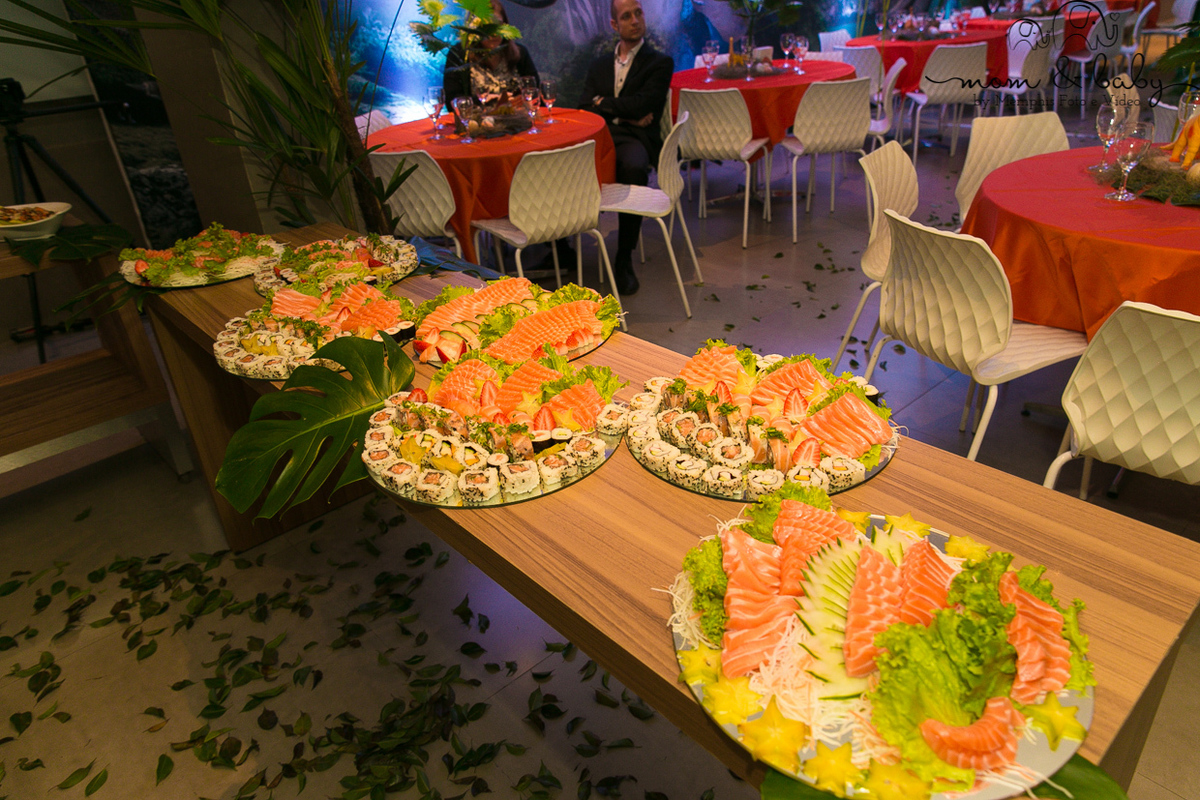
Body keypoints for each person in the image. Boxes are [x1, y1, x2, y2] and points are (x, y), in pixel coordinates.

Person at [580, 0, 674, 295]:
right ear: (614, 25)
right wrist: (624, 114)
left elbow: (645, 105)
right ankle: (559, 247)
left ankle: (624, 256)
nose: (635, 20)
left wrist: (603, 104)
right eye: (626, 16)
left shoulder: (659, 62)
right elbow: (584, 106)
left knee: (633, 166)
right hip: (602, 136)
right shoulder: (598, 65)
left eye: (638, 13)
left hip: (636, 138)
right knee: (563, 163)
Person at [443, 0, 539, 108]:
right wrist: (484, 101)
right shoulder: (460, 54)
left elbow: (536, 93)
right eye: (487, 27)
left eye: (497, 26)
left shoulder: (520, 53)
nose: (493, 34)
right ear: (474, 28)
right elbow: (451, 101)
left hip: (518, 117)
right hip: (476, 118)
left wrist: (522, 101)